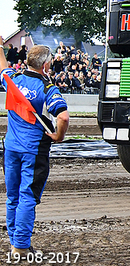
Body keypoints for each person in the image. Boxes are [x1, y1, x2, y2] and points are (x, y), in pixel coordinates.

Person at [0, 36, 69, 258]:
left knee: (13, 196)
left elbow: (3, 68)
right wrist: (58, 136)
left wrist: (0, 48)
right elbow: (64, 117)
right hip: (34, 150)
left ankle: (15, 242)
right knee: (27, 196)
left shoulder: (13, 79)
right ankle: (20, 246)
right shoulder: (48, 88)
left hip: (10, 147)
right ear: (46, 65)